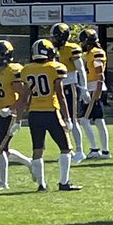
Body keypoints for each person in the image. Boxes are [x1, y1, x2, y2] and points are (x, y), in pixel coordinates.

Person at [23, 39, 82, 192]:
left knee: (37, 149)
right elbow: (61, 95)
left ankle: (41, 185)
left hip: (34, 113)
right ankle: (64, 183)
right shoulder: (55, 68)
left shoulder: (27, 69)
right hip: (51, 111)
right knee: (66, 148)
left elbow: (25, 95)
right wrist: (67, 118)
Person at [0, 39, 35, 190]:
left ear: (6, 56)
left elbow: (23, 97)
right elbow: (1, 90)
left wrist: (12, 110)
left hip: (10, 113)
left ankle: (3, 182)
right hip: (0, 112)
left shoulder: (13, 71)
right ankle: (29, 162)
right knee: (3, 148)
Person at [51, 22, 89, 162]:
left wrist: (84, 88)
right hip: (58, 86)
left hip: (70, 86)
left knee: (72, 120)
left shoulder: (72, 48)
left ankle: (80, 150)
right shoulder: (53, 50)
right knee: (62, 120)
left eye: (55, 37)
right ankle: (69, 149)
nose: (53, 40)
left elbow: (81, 70)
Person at [79, 28, 111, 158]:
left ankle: (95, 149)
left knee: (84, 120)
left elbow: (100, 75)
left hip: (95, 88)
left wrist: (96, 93)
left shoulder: (96, 53)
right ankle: (104, 151)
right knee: (98, 120)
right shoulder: (91, 53)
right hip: (93, 88)